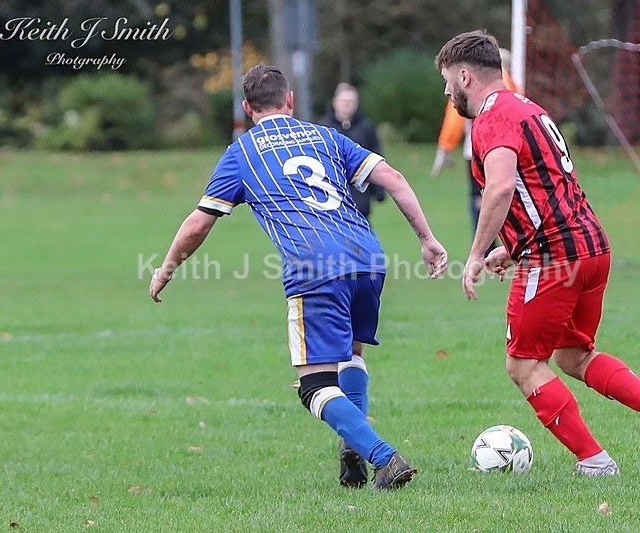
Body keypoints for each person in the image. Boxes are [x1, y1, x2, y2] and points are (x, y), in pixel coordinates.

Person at [149, 65, 448, 489]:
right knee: (352, 356)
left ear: (247, 108)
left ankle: (385, 458)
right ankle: (353, 449)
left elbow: (199, 223)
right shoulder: (325, 135)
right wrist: (427, 238)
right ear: (290, 101)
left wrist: (166, 269)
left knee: (314, 387)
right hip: (368, 257)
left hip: (314, 266)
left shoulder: (243, 152)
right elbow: (393, 178)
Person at [436, 30, 640, 475]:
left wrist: (478, 253)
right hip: (591, 247)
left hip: (554, 258)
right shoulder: (531, 110)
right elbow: (543, 189)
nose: (446, 92)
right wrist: (511, 249)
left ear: (465, 76)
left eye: (446, 81)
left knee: (522, 365)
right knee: (572, 355)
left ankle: (595, 462)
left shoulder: (491, 118)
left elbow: (500, 189)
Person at [430, 49, 519, 234]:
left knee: (483, 201)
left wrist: (445, 147)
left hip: (479, 152)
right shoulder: (513, 88)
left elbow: (453, 120)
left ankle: (483, 250)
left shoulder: (473, 88)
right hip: (508, 151)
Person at [320, 83, 386, 224]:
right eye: (344, 101)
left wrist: (379, 190)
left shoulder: (366, 127)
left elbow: (375, 156)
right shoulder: (323, 128)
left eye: (351, 102)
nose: (347, 105)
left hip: (360, 196)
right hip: (331, 196)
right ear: (335, 102)